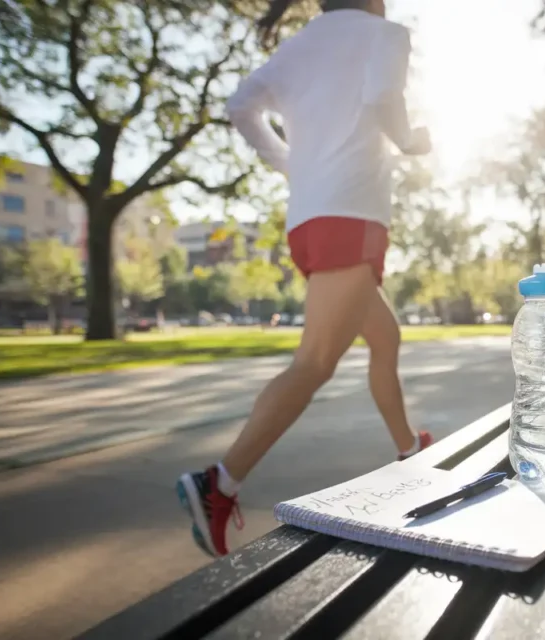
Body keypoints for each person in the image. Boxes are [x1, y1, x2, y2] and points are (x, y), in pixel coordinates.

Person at [177, 0, 434, 558]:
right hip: (353, 215)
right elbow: (385, 99)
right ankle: (218, 483)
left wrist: (289, 161)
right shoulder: (385, 34)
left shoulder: (296, 47)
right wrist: (411, 141)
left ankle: (410, 449)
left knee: (384, 337)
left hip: (310, 218)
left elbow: (240, 106)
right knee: (315, 361)